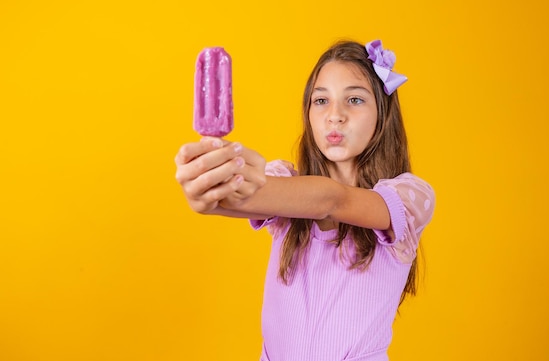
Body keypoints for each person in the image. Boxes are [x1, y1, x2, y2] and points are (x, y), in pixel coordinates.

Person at [174, 39, 435, 361]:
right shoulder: (285, 183)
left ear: (383, 114)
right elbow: (230, 201)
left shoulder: (409, 198)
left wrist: (249, 181)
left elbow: (332, 200)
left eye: (354, 99)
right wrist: (210, 188)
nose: (335, 116)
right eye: (321, 100)